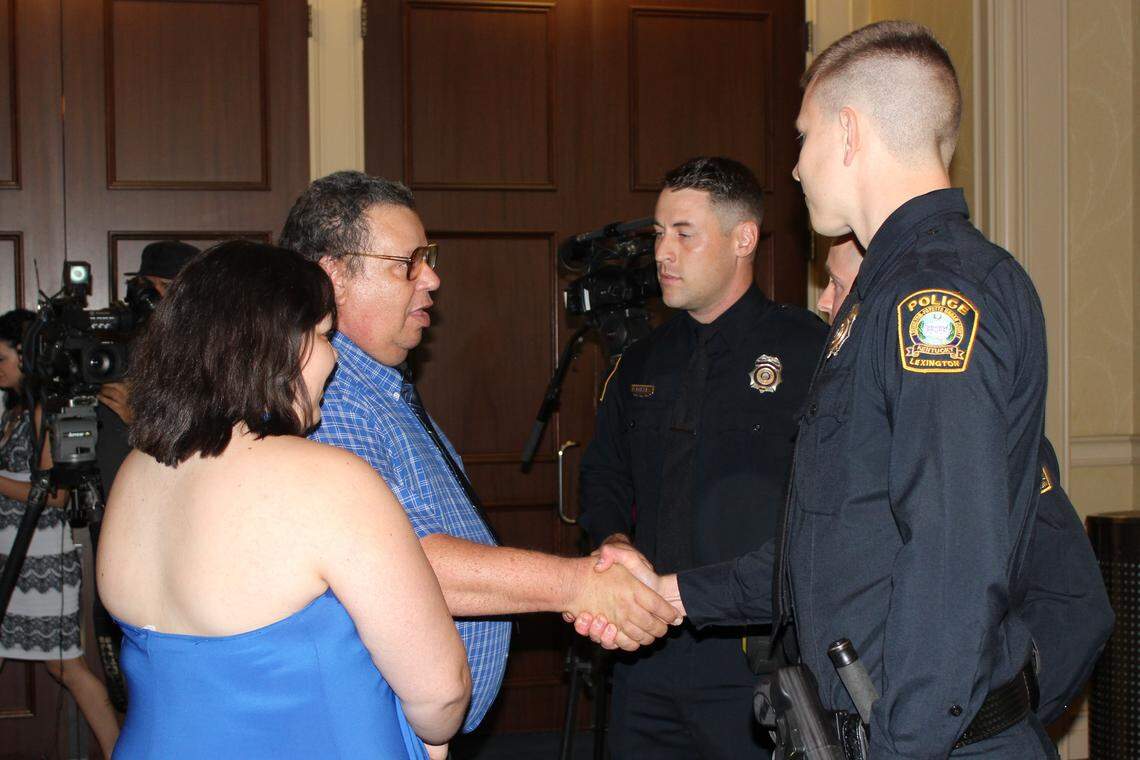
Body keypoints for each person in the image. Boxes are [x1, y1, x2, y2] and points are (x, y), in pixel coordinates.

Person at [589, 20, 1056, 757]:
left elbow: (950, 560)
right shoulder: (880, 298)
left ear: (847, 132)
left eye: (802, 138)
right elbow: (835, 539)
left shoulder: (934, 299)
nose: (798, 168)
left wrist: (898, 747)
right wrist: (672, 595)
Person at [277, 172, 681, 735]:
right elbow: (402, 567)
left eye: (429, 257)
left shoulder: (379, 384)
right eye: (408, 263)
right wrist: (581, 584)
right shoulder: (331, 399)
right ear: (333, 277)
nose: (432, 279)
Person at [96, 241, 471, 758]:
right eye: (323, 335)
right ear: (277, 346)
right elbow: (441, 691)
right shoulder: (329, 480)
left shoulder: (135, 471)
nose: (335, 356)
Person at [576, 156, 827, 758]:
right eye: (659, 234)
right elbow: (604, 473)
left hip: (755, 661)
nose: (662, 252)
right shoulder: (640, 362)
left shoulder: (809, 352)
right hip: (646, 652)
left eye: (684, 234)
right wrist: (612, 539)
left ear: (743, 239)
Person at [819, 234, 1113, 728]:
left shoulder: (967, 429)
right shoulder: (845, 421)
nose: (824, 302)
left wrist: (1003, 717)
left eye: (835, 283)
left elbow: (1076, 603)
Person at [0, 308, 120, 759]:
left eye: (2, 358)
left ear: (25, 355)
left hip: (40, 559)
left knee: (65, 666)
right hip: (12, 554)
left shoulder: (42, 412)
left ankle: (116, 751)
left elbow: (51, 495)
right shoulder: (14, 410)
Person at [94, 239, 200, 492]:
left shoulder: (204, 353)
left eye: (164, 286)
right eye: (146, 287)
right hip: (110, 492)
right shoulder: (116, 345)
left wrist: (139, 419)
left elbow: (199, 445)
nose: (151, 299)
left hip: (164, 494)